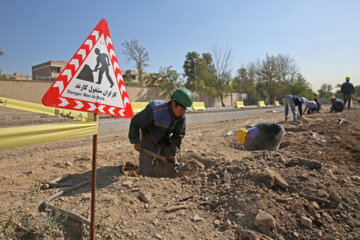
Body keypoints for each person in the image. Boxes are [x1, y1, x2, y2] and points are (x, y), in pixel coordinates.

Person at [128, 88, 194, 178]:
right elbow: (135, 122)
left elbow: (178, 135)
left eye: (186, 109)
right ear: (173, 104)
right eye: (182, 108)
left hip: (165, 139)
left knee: (169, 169)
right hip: (149, 137)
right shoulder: (155, 110)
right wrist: (136, 141)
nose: (184, 112)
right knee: (147, 172)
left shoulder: (181, 117)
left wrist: (173, 153)